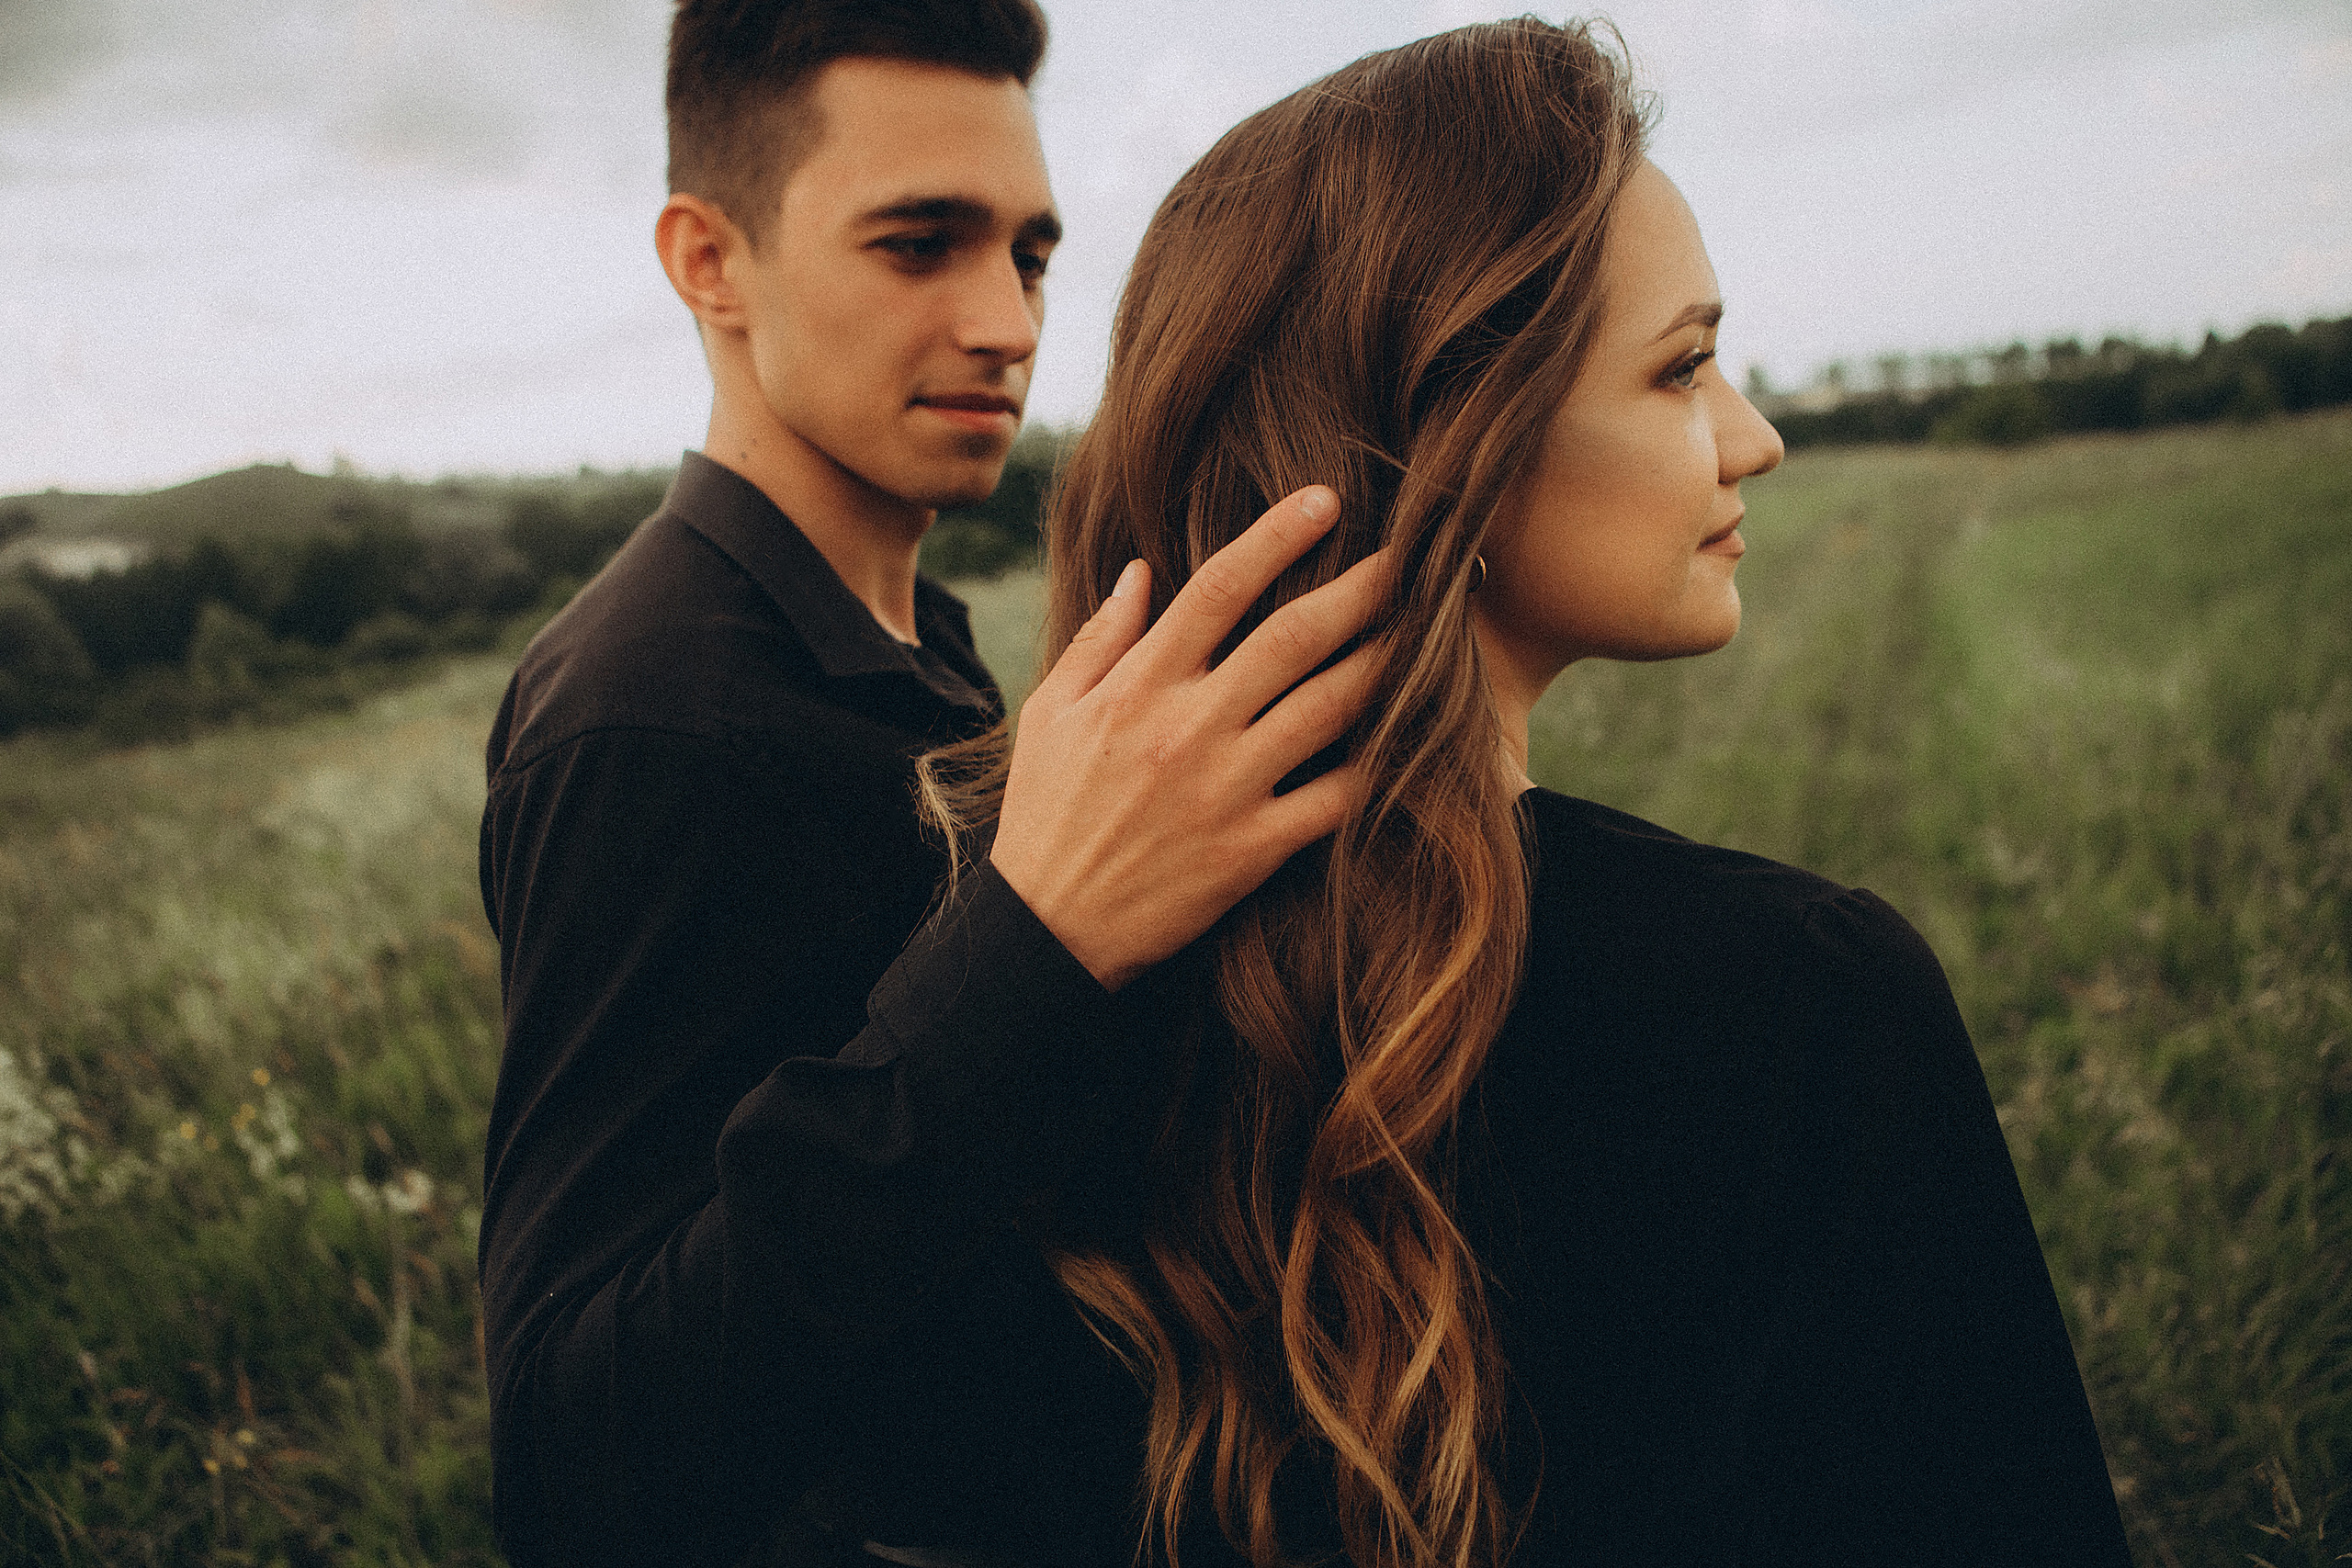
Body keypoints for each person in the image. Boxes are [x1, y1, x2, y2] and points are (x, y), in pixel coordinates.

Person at [917, 17, 2139, 1567]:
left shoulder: (994, 991)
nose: (1753, 438)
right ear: (1453, 452)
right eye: (1683, 366)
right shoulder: (1802, 1007)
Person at [473, 2, 1388, 1564]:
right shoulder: (653, 719)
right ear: (711, 261)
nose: (1010, 321)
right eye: (919, 244)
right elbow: (577, 1453)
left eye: (1028, 253)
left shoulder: (918, 647)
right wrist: (1034, 946)